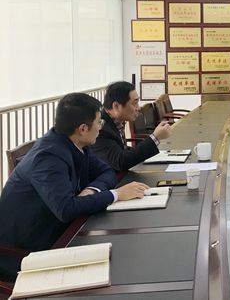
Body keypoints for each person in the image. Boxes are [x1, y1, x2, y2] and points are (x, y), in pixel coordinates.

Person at [0, 93, 149, 277]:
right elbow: (66, 209)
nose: (101, 128)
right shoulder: (48, 157)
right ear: (83, 129)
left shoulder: (74, 143)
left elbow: (107, 172)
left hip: (62, 231)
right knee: (123, 264)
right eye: (99, 122)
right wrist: (116, 195)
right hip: (26, 253)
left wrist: (90, 190)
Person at [90, 81, 171, 171]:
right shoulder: (100, 128)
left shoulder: (117, 121)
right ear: (116, 106)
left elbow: (122, 150)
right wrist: (155, 137)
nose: (138, 108)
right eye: (134, 103)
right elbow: (120, 162)